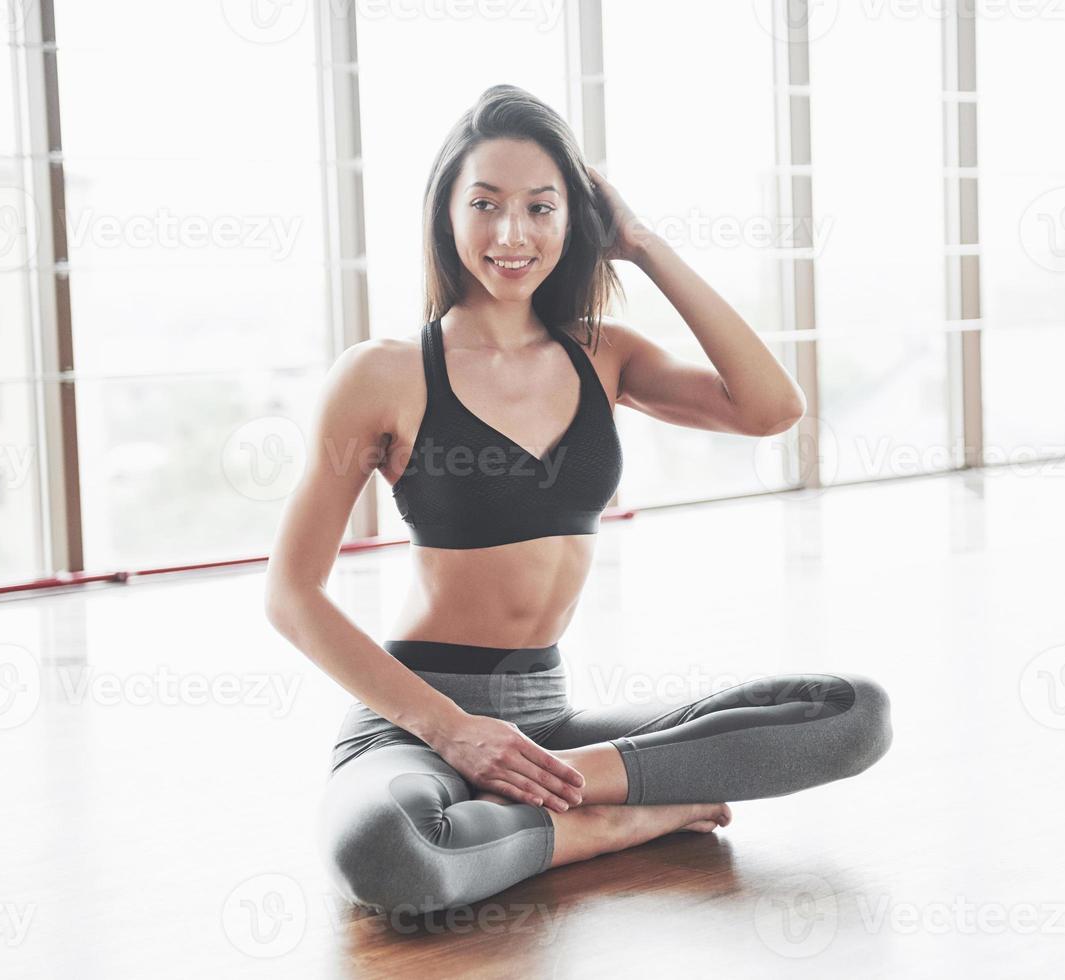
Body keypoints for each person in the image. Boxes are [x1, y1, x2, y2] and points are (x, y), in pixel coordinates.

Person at [264, 84, 892, 916]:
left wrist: (642, 245)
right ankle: (609, 825)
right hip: (415, 723)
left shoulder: (605, 356)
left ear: (574, 222)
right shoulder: (382, 374)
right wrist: (453, 732)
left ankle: (561, 798)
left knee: (851, 713)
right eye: (484, 204)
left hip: (552, 727)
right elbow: (291, 594)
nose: (511, 233)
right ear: (445, 215)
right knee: (386, 851)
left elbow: (769, 408)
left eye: (540, 207)